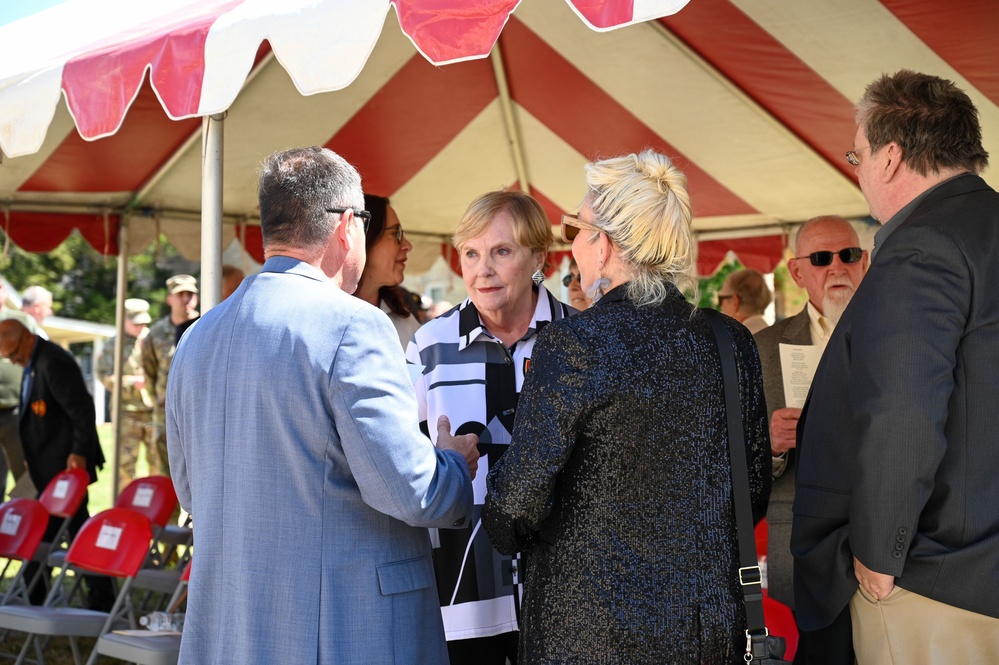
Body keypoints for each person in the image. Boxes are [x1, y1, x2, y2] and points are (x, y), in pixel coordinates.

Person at [166, 146, 478, 665]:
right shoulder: (353, 325)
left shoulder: (197, 337)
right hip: (346, 633)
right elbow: (413, 492)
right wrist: (451, 461)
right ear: (346, 226)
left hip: (232, 631)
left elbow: (191, 490)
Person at [482, 149, 771, 663]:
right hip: (707, 634)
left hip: (589, 636)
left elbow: (515, 507)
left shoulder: (576, 345)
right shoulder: (731, 341)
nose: (571, 248)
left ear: (606, 244)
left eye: (575, 231)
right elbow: (751, 489)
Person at [792, 70, 999, 665]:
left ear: (889, 156)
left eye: (855, 154)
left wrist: (880, 553)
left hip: (934, 579)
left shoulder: (921, 244)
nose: (856, 172)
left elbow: (902, 412)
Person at [405, 190, 574, 664]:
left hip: (568, 595)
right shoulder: (429, 347)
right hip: (462, 595)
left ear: (539, 256)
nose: (483, 270)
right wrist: (434, 462)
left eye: (501, 251)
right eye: (472, 254)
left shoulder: (581, 341)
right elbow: (396, 465)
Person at [752, 216, 867, 661]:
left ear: (865, 262)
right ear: (797, 272)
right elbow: (734, 462)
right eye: (821, 259)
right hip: (802, 547)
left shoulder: (898, 335)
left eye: (849, 255)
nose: (837, 267)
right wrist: (772, 444)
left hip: (888, 541)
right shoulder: (762, 348)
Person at [0, 318, 115, 610]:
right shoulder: (32, 361)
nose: (13, 361)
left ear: (26, 338)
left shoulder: (52, 361)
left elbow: (82, 409)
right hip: (48, 471)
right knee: (55, 533)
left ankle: (42, 598)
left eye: (14, 354)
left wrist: (79, 453)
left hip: (65, 471)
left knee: (60, 533)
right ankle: (38, 597)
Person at [141, 274, 198, 478]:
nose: (186, 299)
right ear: (169, 299)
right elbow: (149, 372)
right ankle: (170, 511)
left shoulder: (205, 326)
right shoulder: (155, 334)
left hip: (196, 412)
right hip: (164, 414)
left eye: (190, 294)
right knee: (165, 473)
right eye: (180, 294)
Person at [96, 298, 154, 489]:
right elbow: (104, 376)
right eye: (136, 323)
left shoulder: (152, 340)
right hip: (126, 411)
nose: (141, 327)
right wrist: (129, 382)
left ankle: (161, 510)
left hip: (153, 410)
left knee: (160, 463)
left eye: (144, 323)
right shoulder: (112, 345)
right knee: (125, 466)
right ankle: (126, 511)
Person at [351, 193, 421, 347]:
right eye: (395, 233)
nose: (407, 245)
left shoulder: (404, 320)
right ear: (365, 237)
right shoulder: (323, 316)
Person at [0, 276, 37, 497]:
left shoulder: (22, 321)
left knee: (26, 477)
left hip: (18, 412)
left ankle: (30, 526)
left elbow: (39, 360)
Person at [717, 268, 772, 333]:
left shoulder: (737, 339)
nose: (720, 306)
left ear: (735, 302)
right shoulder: (769, 332)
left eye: (721, 299)